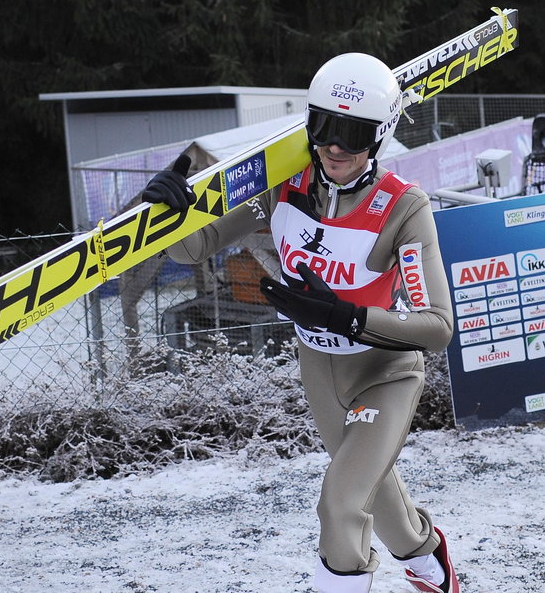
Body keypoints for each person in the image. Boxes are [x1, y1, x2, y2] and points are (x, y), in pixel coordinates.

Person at [143, 53, 458, 593]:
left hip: (385, 373)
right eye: (323, 128)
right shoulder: (282, 189)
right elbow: (196, 248)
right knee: (375, 500)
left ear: (380, 136)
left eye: (352, 134)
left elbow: (436, 326)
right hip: (319, 370)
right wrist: (168, 210)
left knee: (339, 505)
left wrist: (349, 316)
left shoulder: (404, 208)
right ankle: (429, 558)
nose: (334, 146)